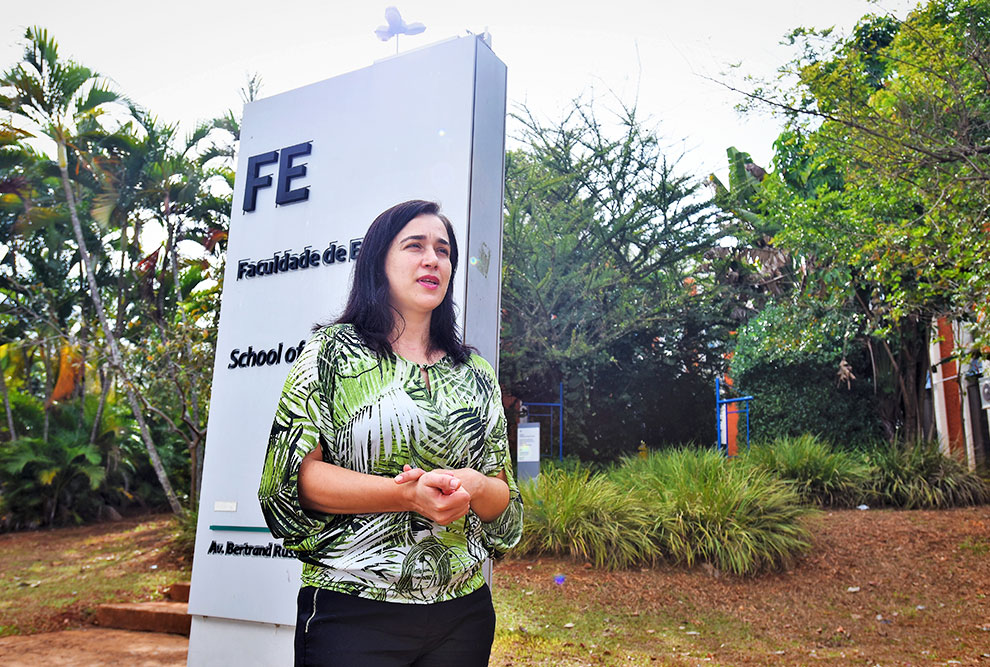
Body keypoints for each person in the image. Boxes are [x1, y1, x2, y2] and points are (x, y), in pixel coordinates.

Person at [258, 199, 523, 667]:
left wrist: (476, 486)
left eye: (443, 250)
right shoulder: (331, 354)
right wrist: (407, 495)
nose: (432, 259)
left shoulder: (477, 373)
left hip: (463, 614)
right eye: (414, 246)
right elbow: (293, 480)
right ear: (378, 261)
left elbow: (504, 498)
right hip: (354, 612)